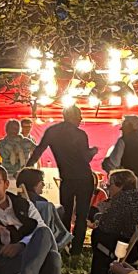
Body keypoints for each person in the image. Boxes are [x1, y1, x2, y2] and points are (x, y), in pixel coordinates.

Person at [31, 106, 98, 254]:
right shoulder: (80, 134)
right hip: (84, 178)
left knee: (65, 214)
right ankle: (76, 251)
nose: (81, 119)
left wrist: (27, 167)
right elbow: (85, 158)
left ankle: (63, 246)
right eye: (79, 116)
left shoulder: (52, 131)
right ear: (72, 116)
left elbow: (38, 150)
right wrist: (93, 151)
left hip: (67, 178)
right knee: (81, 216)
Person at [86, 169, 138, 274]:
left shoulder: (122, 199)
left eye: (110, 184)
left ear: (120, 185)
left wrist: (98, 219)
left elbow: (106, 226)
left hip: (127, 248)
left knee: (98, 234)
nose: (107, 188)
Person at [17, 167, 72, 253]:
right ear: (34, 184)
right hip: (41, 238)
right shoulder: (41, 204)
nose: (44, 185)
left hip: (24, 237)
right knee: (59, 209)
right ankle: (62, 241)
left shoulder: (17, 201)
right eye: (41, 182)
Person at [103, 114, 138, 183]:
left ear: (130, 126)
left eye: (124, 127)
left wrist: (106, 163)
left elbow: (113, 163)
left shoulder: (123, 141)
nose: (122, 130)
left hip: (123, 184)